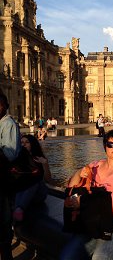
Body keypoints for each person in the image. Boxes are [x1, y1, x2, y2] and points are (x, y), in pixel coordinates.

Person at [60, 129, 113, 260]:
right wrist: (79, 173)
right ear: (105, 146)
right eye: (111, 144)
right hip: (95, 224)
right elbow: (71, 187)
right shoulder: (95, 165)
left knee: (100, 257)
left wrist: (82, 202)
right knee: (67, 256)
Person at [13, 134, 55, 222]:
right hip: (24, 193)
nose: (23, 144)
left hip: (38, 193)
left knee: (35, 181)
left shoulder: (40, 159)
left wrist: (45, 164)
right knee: (19, 182)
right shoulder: (19, 159)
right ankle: (17, 210)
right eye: (21, 142)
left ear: (32, 144)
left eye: (27, 142)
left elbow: (49, 181)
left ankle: (19, 208)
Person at [0, 93, 22, 260]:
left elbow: (9, 154)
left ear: (5, 105)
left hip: (4, 181)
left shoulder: (8, 123)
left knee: (4, 222)